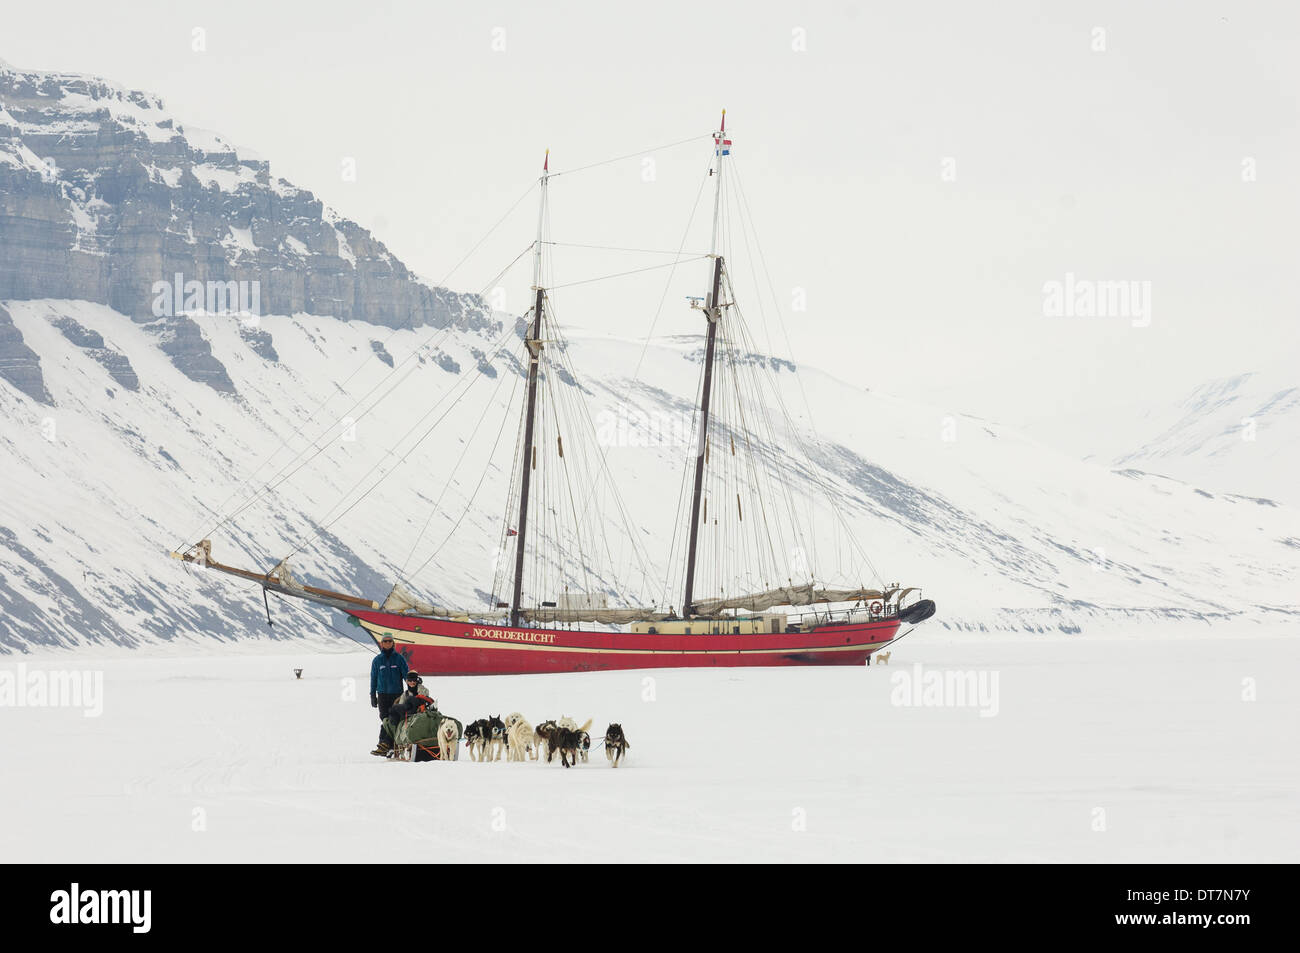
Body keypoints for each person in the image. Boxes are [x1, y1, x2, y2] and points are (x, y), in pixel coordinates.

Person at [369, 636, 408, 756]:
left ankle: (384, 744)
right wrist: (372, 695)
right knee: (384, 719)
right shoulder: (377, 660)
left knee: (392, 719)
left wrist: (413, 688)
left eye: (389, 641)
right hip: (382, 695)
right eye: (385, 641)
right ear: (381, 643)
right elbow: (373, 678)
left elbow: (406, 675)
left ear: (393, 643)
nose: (387, 643)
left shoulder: (399, 659)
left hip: (396, 695)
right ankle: (389, 745)